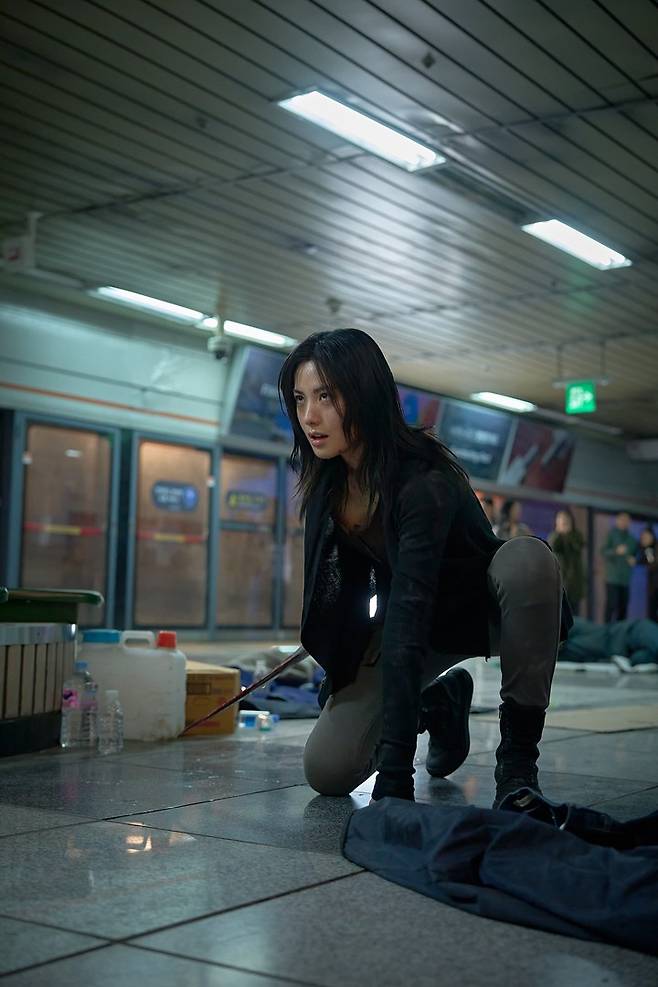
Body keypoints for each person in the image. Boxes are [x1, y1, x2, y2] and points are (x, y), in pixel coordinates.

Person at [279, 329, 570, 807]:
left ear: (365, 393)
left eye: (326, 396)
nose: (309, 415)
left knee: (528, 559)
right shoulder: (327, 489)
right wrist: (344, 670)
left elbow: (411, 606)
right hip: (409, 624)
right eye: (300, 398)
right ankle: (439, 702)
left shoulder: (423, 477)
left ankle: (518, 764)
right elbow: (342, 602)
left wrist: (396, 774)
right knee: (328, 769)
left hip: (479, 611)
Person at [601, 512, 637, 623]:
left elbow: (636, 555)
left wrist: (634, 559)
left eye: (626, 520)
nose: (624, 522)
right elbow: (603, 552)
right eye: (621, 519)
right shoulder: (611, 535)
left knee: (623, 607)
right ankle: (606, 630)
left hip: (625, 579)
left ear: (629, 522)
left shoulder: (632, 539)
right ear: (617, 521)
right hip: (612, 578)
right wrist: (615, 551)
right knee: (611, 605)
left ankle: (621, 631)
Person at [548, 508, 586, 614]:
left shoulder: (577, 535)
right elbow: (552, 546)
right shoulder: (554, 536)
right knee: (559, 614)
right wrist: (559, 533)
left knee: (574, 613)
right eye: (561, 519)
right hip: (559, 581)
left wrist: (568, 535)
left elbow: (578, 546)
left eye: (566, 519)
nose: (564, 521)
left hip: (575, 582)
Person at [636, 525, 658, 623]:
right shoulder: (649, 548)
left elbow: (653, 563)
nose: (644, 539)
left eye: (646, 536)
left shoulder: (654, 547)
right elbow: (649, 561)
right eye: (643, 537)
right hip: (653, 586)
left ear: (652, 536)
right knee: (651, 612)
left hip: (655, 585)